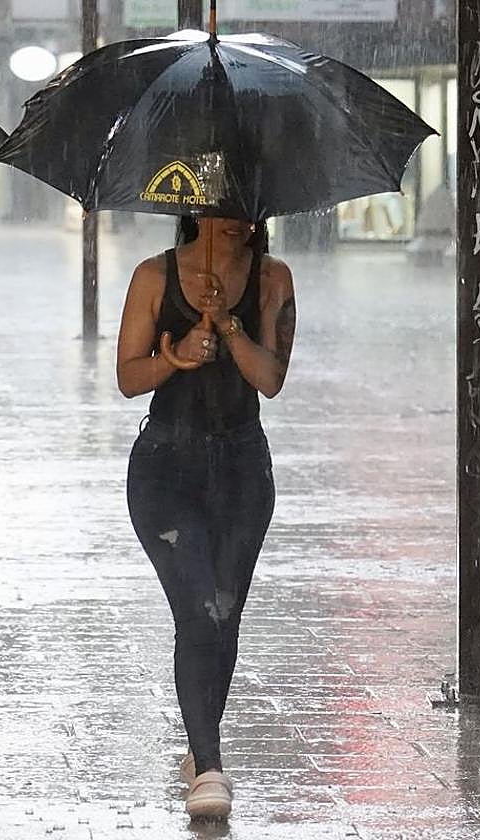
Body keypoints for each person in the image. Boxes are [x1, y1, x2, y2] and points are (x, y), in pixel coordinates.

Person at [116, 216, 296, 820]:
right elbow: (127, 376)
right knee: (199, 612)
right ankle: (209, 765)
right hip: (167, 467)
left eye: (248, 205)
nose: (239, 219)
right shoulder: (153, 276)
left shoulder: (272, 278)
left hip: (242, 469)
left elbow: (270, 380)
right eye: (225, 202)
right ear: (198, 205)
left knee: (224, 614)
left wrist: (229, 328)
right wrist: (176, 356)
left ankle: (201, 746)